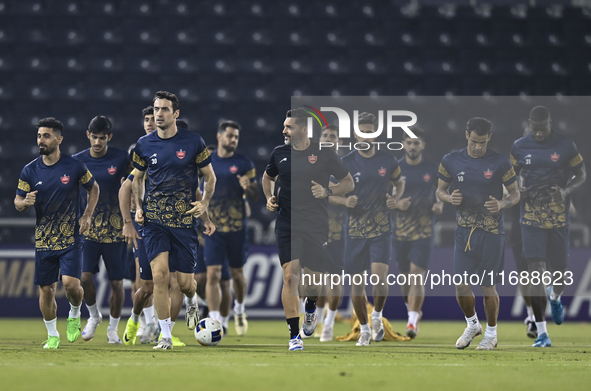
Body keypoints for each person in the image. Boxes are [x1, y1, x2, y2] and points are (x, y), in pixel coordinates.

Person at [262, 108, 354, 351]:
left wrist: (328, 191)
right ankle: (294, 336)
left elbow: (348, 182)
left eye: (289, 127)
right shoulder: (279, 153)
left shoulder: (324, 153)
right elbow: (267, 177)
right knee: (290, 276)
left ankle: (311, 307)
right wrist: (269, 197)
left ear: (304, 130)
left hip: (315, 224)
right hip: (287, 221)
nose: (284, 131)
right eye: (284, 126)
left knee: (312, 284)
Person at [131, 91, 216, 350]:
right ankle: (165, 335)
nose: (159, 114)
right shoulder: (144, 144)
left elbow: (209, 177)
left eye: (165, 109)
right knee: (159, 276)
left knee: (185, 283)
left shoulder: (193, 142)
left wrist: (204, 205)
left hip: (183, 223)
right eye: (156, 109)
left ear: (176, 113)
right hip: (154, 221)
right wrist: (137, 207)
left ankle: (192, 300)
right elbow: (136, 178)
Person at [14, 117, 100, 349]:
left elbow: (94, 188)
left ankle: (74, 313)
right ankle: (52, 335)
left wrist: (88, 214)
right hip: (44, 239)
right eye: (40, 135)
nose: (41, 140)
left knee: (72, 284)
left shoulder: (74, 166)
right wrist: (25, 202)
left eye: (47, 136)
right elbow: (17, 201)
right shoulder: (30, 170)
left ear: (59, 139)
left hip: (71, 236)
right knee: (47, 290)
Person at [437, 117, 520, 351]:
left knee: (487, 287)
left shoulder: (500, 163)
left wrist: (502, 204)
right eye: (474, 141)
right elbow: (440, 191)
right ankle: (473, 324)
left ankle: (491, 334)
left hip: (492, 232)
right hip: (464, 232)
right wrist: (449, 198)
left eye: (482, 143)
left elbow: (515, 194)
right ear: (466, 135)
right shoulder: (450, 161)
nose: (477, 147)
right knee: (461, 286)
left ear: (489, 139)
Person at [510, 106, 586, 348]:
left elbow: (581, 174)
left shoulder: (566, 146)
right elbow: (509, 176)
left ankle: (555, 296)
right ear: (530, 125)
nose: (539, 134)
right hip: (530, 218)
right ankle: (542, 332)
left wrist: (565, 191)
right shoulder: (519, 146)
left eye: (542, 129)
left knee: (560, 271)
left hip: (557, 218)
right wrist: (514, 190)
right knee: (535, 270)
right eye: (535, 129)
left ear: (550, 124)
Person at [331, 112, 405, 346]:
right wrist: (344, 201)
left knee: (379, 278)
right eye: (360, 132)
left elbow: (400, 183)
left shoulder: (388, 160)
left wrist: (395, 198)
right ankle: (363, 329)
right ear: (355, 134)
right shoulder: (346, 162)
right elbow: (328, 190)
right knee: (357, 284)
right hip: (354, 231)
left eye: (369, 132)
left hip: (381, 229)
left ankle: (376, 315)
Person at [73, 116, 130, 344]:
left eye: (102, 138)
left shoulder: (121, 158)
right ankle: (94, 315)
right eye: (94, 137)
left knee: (117, 283)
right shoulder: (77, 161)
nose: (98, 142)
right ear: (88, 135)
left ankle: (113, 330)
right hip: (88, 231)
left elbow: (132, 183)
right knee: (84, 278)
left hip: (116, 231)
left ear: (109, 137)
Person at [204, 121, 258, 336]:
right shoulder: (206, 162)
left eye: (236, 137)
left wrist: (249, 187)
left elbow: (254, 196)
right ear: (219, 136)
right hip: (213, 228)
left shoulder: (244, 163)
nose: (233, 140)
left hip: (237, 228)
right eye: (230, 136)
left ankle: (240, 309)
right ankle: (216, 321)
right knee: (213, 275)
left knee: (236, 275)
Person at [393, 127, 443, 338]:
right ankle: (412, 311)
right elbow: (383, 197)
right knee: (405, 279)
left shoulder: (433, 168)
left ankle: (412, 321)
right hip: (399, 232)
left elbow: (442, 191)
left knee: (416, 276)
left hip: (423, 231)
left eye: (416, 143)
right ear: (403, 144)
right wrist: (396, 204)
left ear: (422, 145)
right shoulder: (394, 168)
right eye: (409, 142)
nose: (412, 146)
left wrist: (440, 204)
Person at [317, 125, 346, 342]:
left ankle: (328, 323)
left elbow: (352, 190)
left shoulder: (347, 166)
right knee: (313, 279)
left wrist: (327, 190)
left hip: (340, 232)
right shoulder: (311, 162)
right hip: (314, 228)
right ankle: (315, 319)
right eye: (325, 135)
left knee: (334, 279)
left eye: (333, 136)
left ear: (339, 142)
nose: (328, 138)